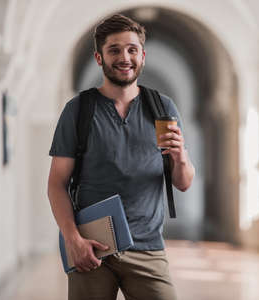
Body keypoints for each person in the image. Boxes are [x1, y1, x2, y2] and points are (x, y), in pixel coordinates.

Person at [47, 13, 194, 300]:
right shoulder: (78, 110)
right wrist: (72, 239)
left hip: (149, 247)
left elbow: (184, 183)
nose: (124, 57)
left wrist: (181, 157)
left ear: (142, 55)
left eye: (131, 49)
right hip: (92, 246)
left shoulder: (162, 107)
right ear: (99, 58)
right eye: (114, 50)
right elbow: (56, 183)